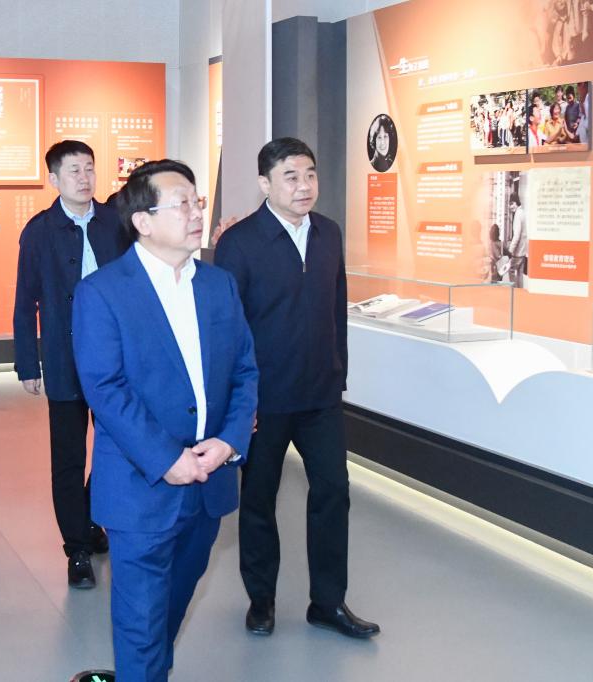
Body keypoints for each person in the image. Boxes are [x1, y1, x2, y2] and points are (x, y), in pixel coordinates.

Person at [73, 159, 259, 681]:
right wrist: (166, 458)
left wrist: (230, 440)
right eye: (183, 204)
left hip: (209, 480)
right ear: (143, 221)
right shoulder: (103, 292)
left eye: (198, 202)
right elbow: (105, 389)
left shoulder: (219, 285)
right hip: (141, 486)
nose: (198, 213)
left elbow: (245, 370)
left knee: (170, 608)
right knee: (140, 624)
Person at [215, 138, 381, 640]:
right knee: (259, 499)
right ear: (265, 184)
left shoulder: (328, 233)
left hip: (320, 395)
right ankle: (261, 600)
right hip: (263, 400)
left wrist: (338, 371)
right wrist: (237, 402)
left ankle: (328, 603)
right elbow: (228, 328)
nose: (304, 185)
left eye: (310, 174)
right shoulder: (240, 242)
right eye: (291, 176)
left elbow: (336, 309)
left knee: (333, 492)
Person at [13, 140, 125, 588]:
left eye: (89, 168)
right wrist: (28, 362)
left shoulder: (115, 223)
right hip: (65, 358)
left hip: (116, 358)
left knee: (117, 445)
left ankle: (90, 517)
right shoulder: (39, 231)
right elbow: (25, 301)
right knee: (68, 456)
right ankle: (77, 548)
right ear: (54, 179)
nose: (84, 178)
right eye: (74, 170)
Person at [507, 193, 528, 288]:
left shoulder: (518, 215)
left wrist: (510, 250)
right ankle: (520, 292)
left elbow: (517, 235)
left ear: (516, 202)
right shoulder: (523, 213)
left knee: (511, 270)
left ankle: (514, 291)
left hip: (518, 251)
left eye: (511, 204)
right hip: (523, 250)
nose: (510, 206)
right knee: (520, 274)